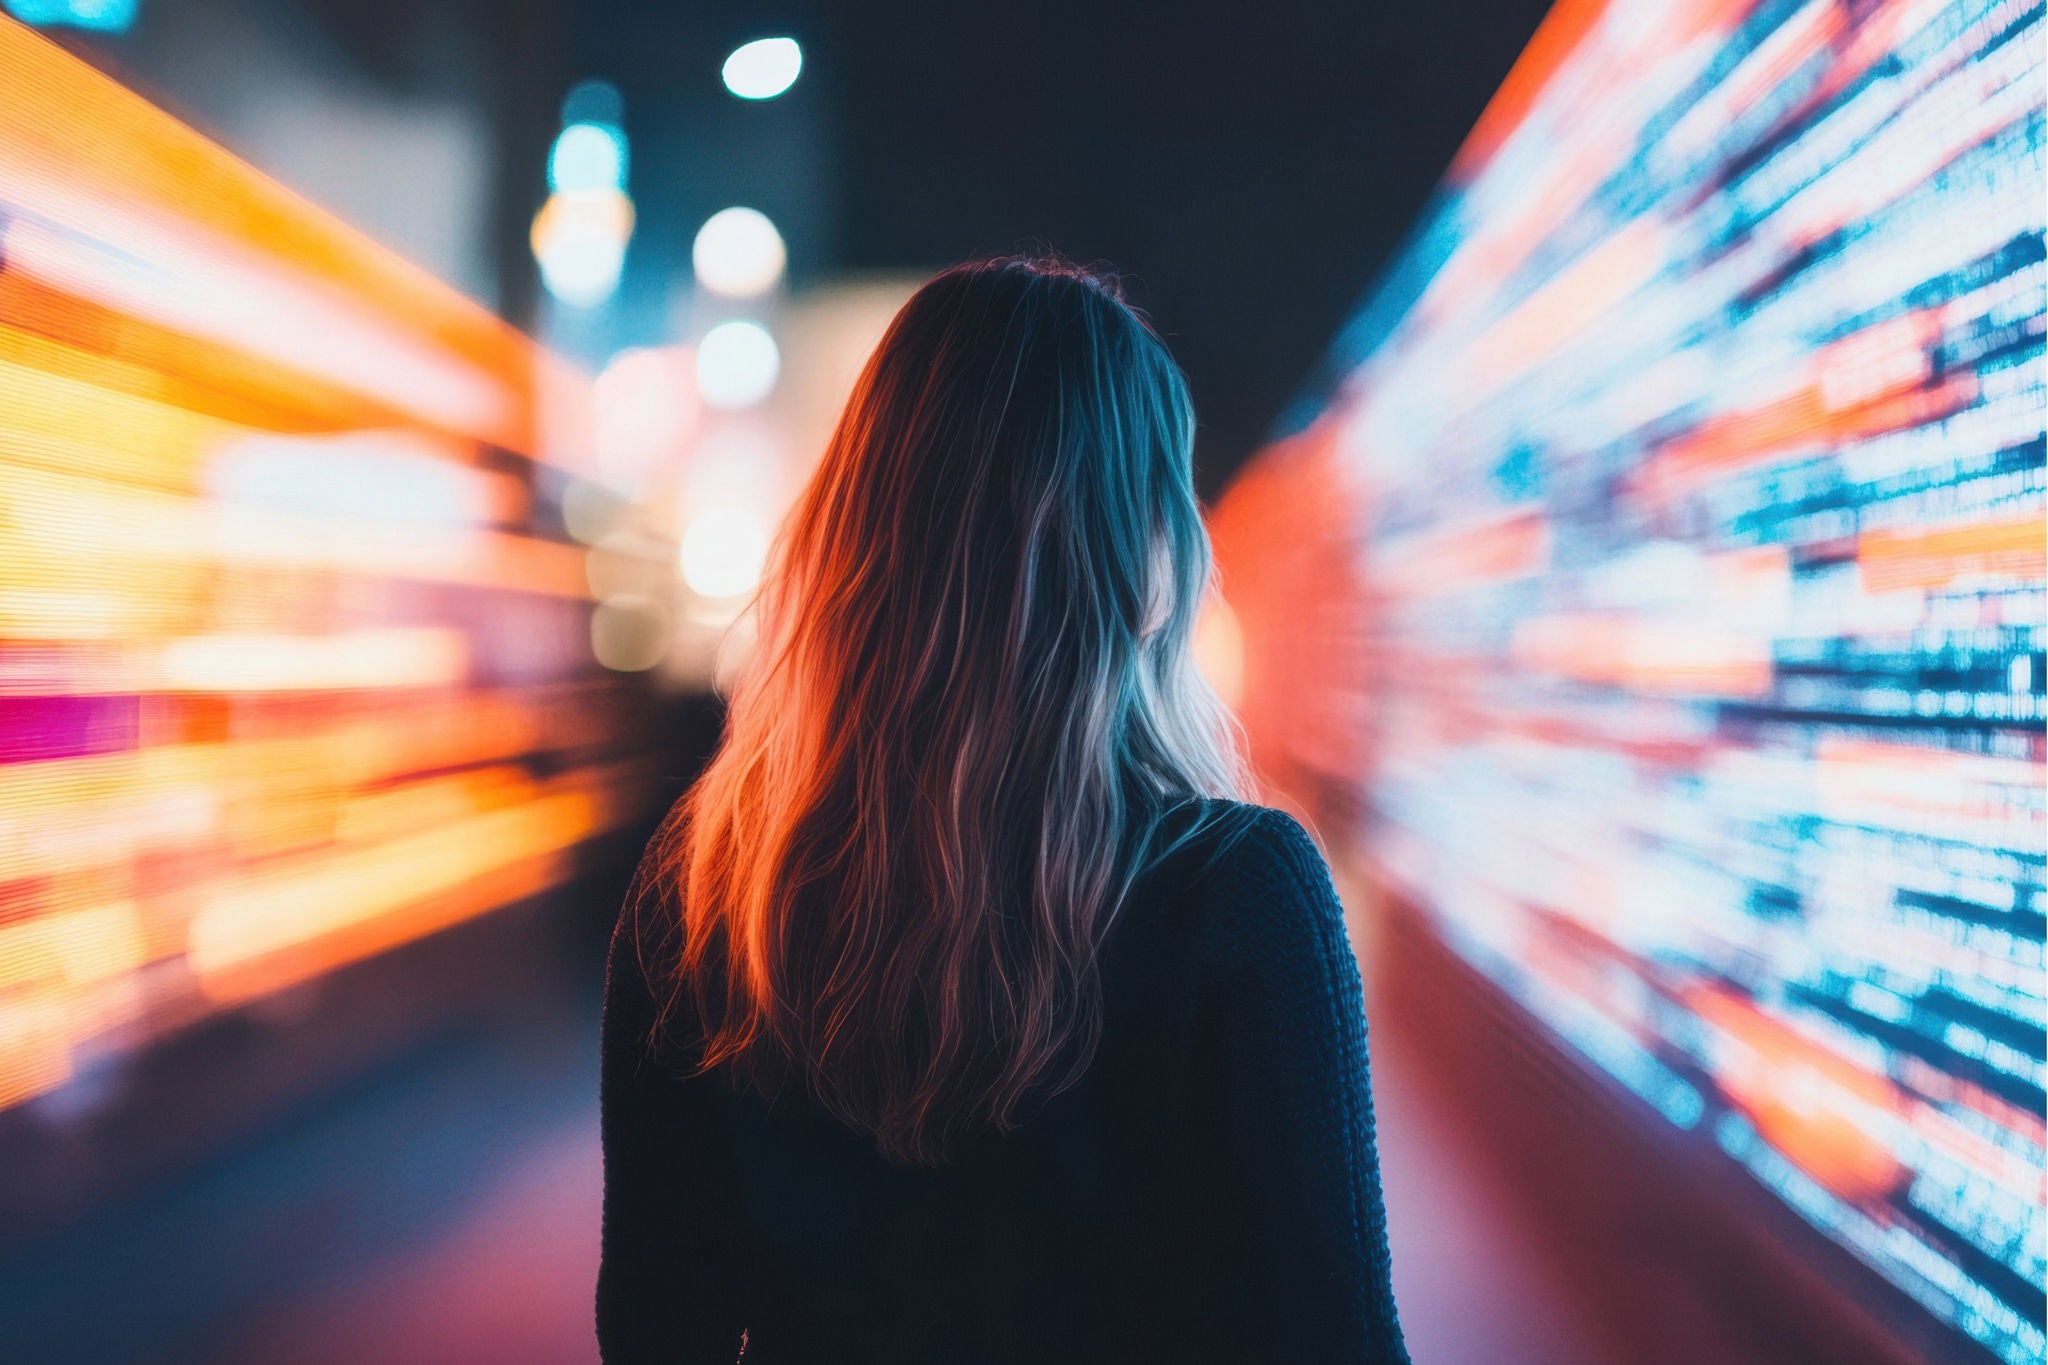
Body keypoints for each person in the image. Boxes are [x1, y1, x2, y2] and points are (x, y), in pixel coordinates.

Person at [598, 256, 1409, 1364]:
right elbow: (1339, 1338)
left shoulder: (702, 893)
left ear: (857, 532)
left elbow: (654, 1322)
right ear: (1141, 558)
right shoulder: (1239, 894)